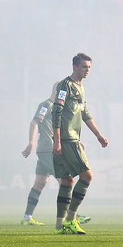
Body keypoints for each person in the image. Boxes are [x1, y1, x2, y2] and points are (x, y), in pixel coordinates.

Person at [51, 53, 108, 234]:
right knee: (87, 176)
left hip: (72, 138)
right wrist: (58, 140)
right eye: (84, 67)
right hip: (67, 139)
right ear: (75, 66)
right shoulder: (65, 85)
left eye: (89, 67)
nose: (87, 70)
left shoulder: (80, 87)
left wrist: (98, 135)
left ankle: (59, 226)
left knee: (67, 181)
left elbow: (84, 114)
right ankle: (70, 220)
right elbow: (57, 112)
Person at [20, 82, 91, 226]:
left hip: (48, 149)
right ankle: (72, 216)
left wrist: (77, 141)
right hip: (48, 149)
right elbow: (34, 123)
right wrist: (31, 142)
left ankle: (27, 217)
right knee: (66, 180)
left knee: (40, 182)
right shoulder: (47, 105)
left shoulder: (60, 107)